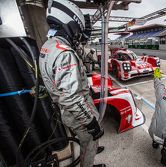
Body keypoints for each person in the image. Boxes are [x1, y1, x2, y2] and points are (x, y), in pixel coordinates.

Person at [39, 0, 105, 166]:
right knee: (90, 138)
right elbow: (72, 98)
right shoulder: (65, 55)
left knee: (87, 140)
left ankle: (90, 146)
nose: (77, 34)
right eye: (77, 29)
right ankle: (88, 159)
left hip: (66, 111)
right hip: (77, 111)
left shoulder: (50, 45)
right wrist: (91, 122)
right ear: (70, 24)